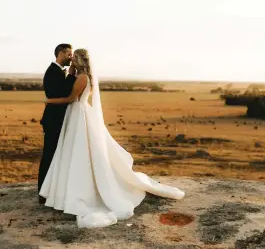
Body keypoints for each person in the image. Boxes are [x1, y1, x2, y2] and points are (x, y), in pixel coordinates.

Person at [39, 48, 185, 228]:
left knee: (77, 153)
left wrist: (49, 101)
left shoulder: (82, 78)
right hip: (79, 114)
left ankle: (76, 193)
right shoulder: (85, 76)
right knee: (76, 152)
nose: (71, 60)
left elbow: (70, 98)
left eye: (73, 57)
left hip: (78, 114)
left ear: (78, 60)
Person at [38, 43, 77, 205]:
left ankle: (52, 189)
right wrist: (72, 75)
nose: (71, 57)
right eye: (69, 54)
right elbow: (63, 93)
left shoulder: (59, 71)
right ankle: (42, 193)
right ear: (60, 54)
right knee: (49, 154)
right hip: (53, 120)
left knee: (56, 154)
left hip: (58, 119)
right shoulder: (53, 71)